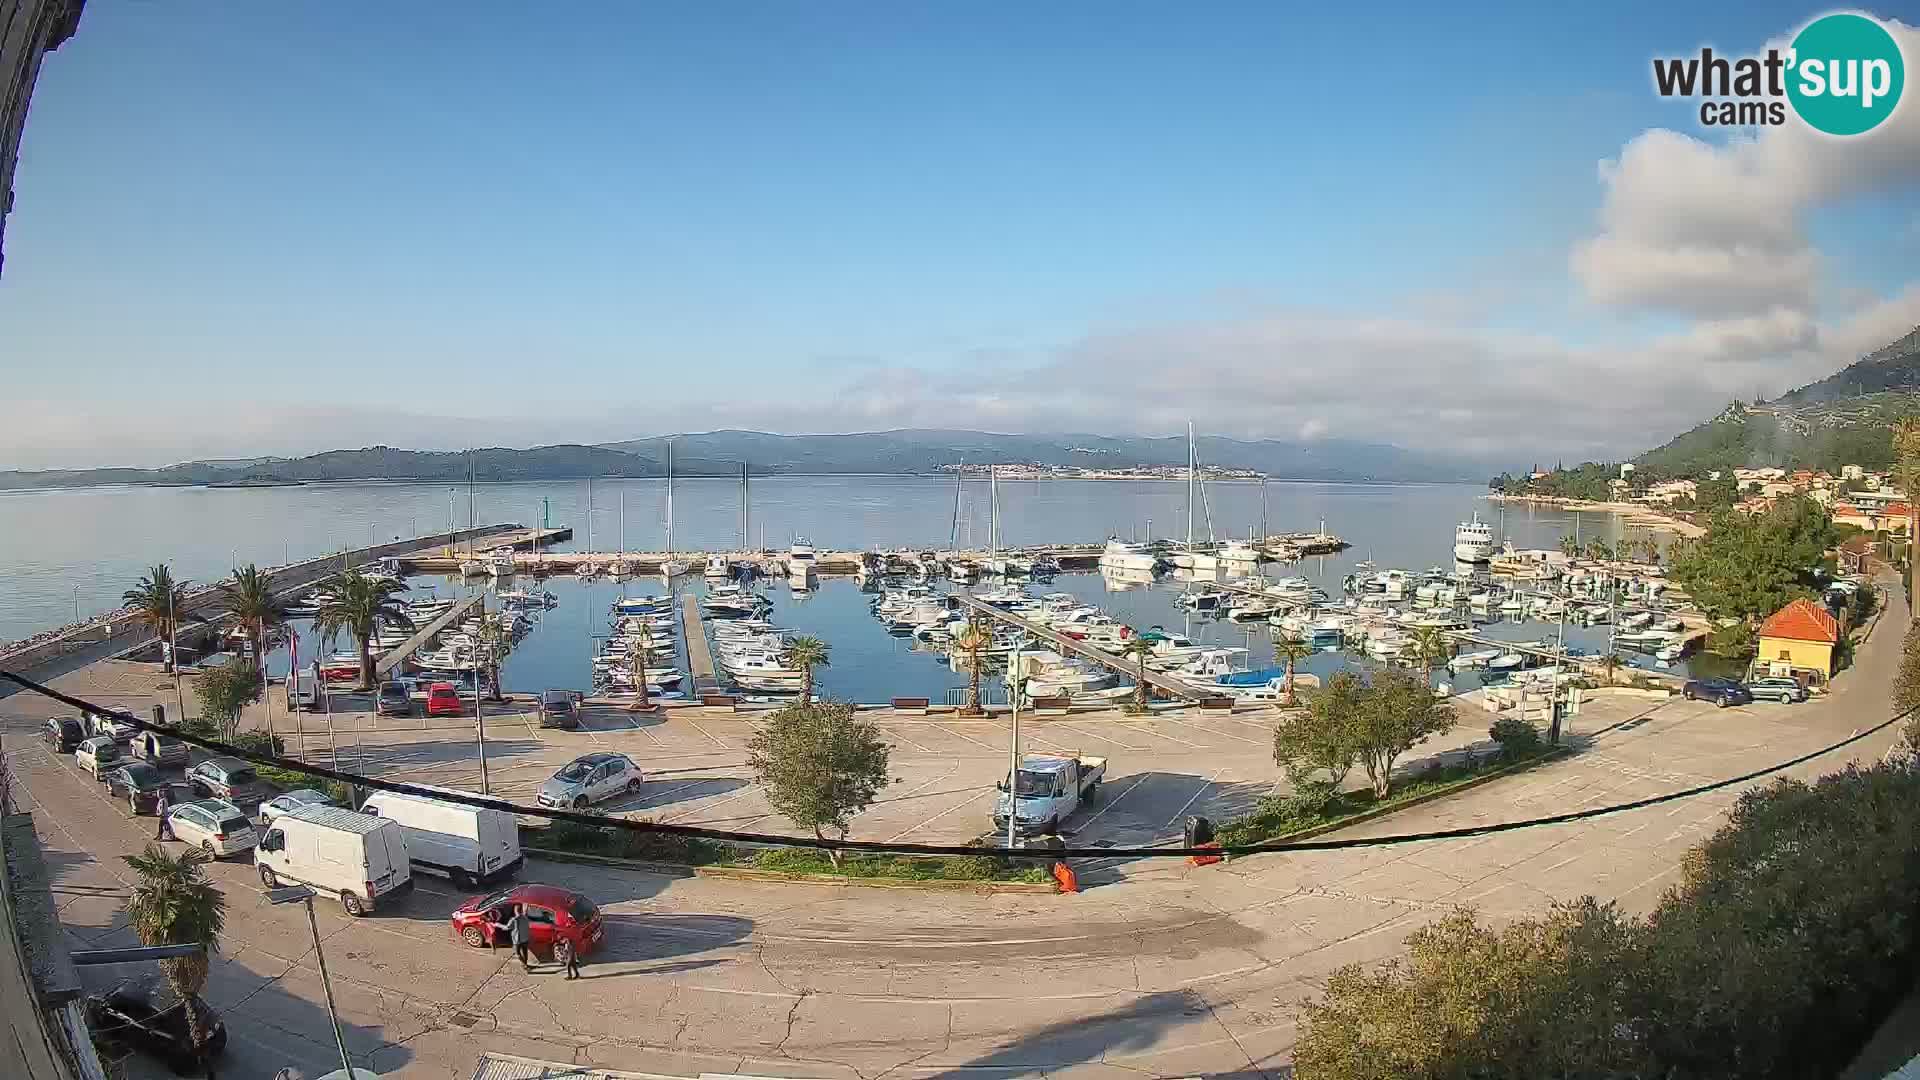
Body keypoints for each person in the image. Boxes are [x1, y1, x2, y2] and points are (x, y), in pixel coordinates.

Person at [509, 904, 532, 971]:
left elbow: (507, 927)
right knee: (525, 952)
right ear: (521, 910)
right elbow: (525, 912)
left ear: (515, 911)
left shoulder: (513, 919)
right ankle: (525, 964)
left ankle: (524, 965)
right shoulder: (525, 917)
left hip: (517, 940)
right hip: (525, 938)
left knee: (518, 953)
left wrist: (498, 925)